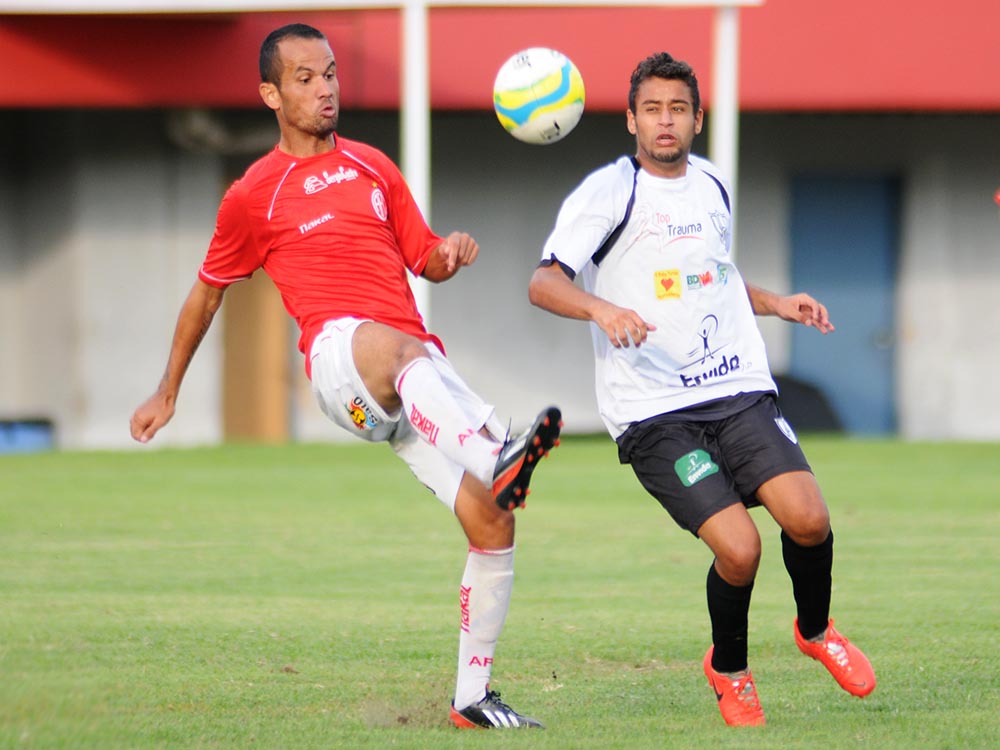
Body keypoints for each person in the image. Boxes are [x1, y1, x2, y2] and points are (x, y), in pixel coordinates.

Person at [130, 23, 560, 730]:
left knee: (493, 520)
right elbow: (207, 292)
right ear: (270, 93)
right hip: (343, 363)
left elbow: (425, 260)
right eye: (305, 77)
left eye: (330, 73)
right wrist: (168, 390)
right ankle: (497, 458)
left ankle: (471, 700)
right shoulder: (253, 195)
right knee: (398, 353)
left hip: (413, 367)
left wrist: (449, 254)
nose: (325, 88)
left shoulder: (372, 166)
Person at [527, 52, 874, 727]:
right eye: (652, 109)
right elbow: (544, 281)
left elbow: (710, 274)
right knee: (739, 548)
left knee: (809, 518)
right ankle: (732, 670)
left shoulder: (713, 182)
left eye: (677, 109)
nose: (665, 121)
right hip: (655, 412)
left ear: (697, 119)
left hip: (736, 385)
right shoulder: (608, 192)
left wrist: (776, 303)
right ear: (630, 119)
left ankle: (816, 629)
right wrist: (603, 310)